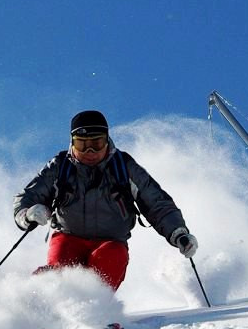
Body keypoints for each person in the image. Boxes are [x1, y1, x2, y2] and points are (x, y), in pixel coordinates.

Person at [13, 110, 198, 290]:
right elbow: (28, 196)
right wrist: (27, 214)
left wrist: (178, 233)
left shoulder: (123, 167)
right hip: (68, 237)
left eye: (97, 143)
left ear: (107, 140)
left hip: (110, 242)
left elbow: (156, 203)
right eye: (82, 145)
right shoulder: (61, 166)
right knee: (61, 273)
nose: (90, 151)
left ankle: (97, 312)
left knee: (110, 258)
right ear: (72, 143)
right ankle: (41, 300)